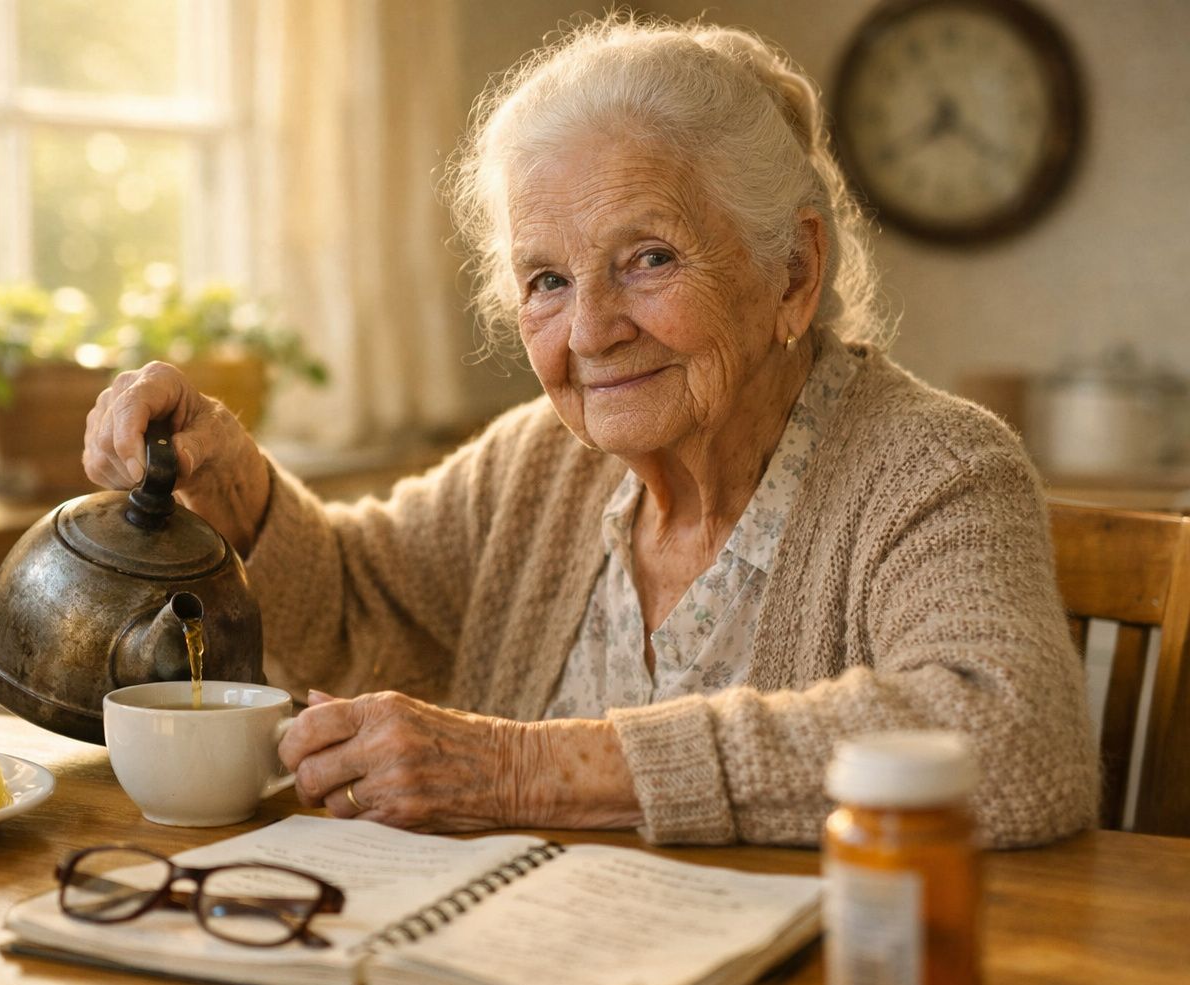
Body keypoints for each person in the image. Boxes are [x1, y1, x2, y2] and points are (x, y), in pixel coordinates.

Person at [83, 16, 1097, 848]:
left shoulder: (935, 468)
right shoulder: (538, 461)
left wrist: (523, 767)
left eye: (649, 258)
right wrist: (232, 481)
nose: (592, 331)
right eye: (548, 280)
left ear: (793, 271)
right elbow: (358, 602)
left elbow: (1010, 736)